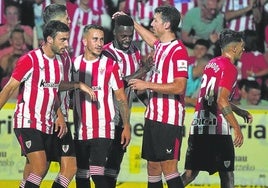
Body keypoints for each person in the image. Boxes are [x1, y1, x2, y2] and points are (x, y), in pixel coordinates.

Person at [0, 20, 96, 188]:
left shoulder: (59, 61)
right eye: (63, 40)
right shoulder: (29, 60)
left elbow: (54, 88)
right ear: (50, 39)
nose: (67, 44)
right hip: (28, 120)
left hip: (48, 121)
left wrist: (76, 86)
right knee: (39, 167)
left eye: (67, 39)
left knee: (68, 166)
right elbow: (8, 89)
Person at [114, 5, 188, 188]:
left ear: (167, 24)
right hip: (153, 116)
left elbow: (180, 87)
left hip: (169, 119)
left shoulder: (178, 51)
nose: (152, 23)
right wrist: (131, 21)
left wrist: (146, 84)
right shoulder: (161, 46)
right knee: (153, 168)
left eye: (155, 20)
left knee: (169, 168)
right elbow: (151, 39)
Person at [181, 29, 253, 188]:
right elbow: (221, 100)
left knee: (190, 174)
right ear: (234, 48)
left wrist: (240, 111)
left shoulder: (212, 63)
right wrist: (237, 128)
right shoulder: (230, 68)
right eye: (242, 46)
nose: (243, 50)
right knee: (227, 174)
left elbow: (214, 97)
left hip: (199, 127)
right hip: (217, 130)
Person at [19, 4, 78, 188]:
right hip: (44, 117)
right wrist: (59, 113)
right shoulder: (45, 53)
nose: (70, 20)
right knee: (40, 166)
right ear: (55, 22)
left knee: (64, 167)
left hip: (58, 116)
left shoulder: (63, 51)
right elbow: (50, 87)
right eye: (66, 18)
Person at [72, 24, 131, 188]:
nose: (99, 43)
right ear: (84, 41)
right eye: (95, 39)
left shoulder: (110, 66)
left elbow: (121, 97)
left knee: (97, 174)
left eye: (101, 40)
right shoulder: (74, 65)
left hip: (103, 128)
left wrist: (126, 125)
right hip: (80, 130)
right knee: (82, 177)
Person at [102, 14, 152, 188]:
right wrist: (144, 69)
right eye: (123, 36)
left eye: (130, 36)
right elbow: (118, 84)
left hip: (123, 119)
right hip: (106, 119)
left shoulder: (134, 51)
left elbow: (134, 86)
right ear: (115, 32)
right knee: (102, 166)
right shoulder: (106, 53)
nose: (127, 39)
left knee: (114, 165)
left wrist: (149, 104)